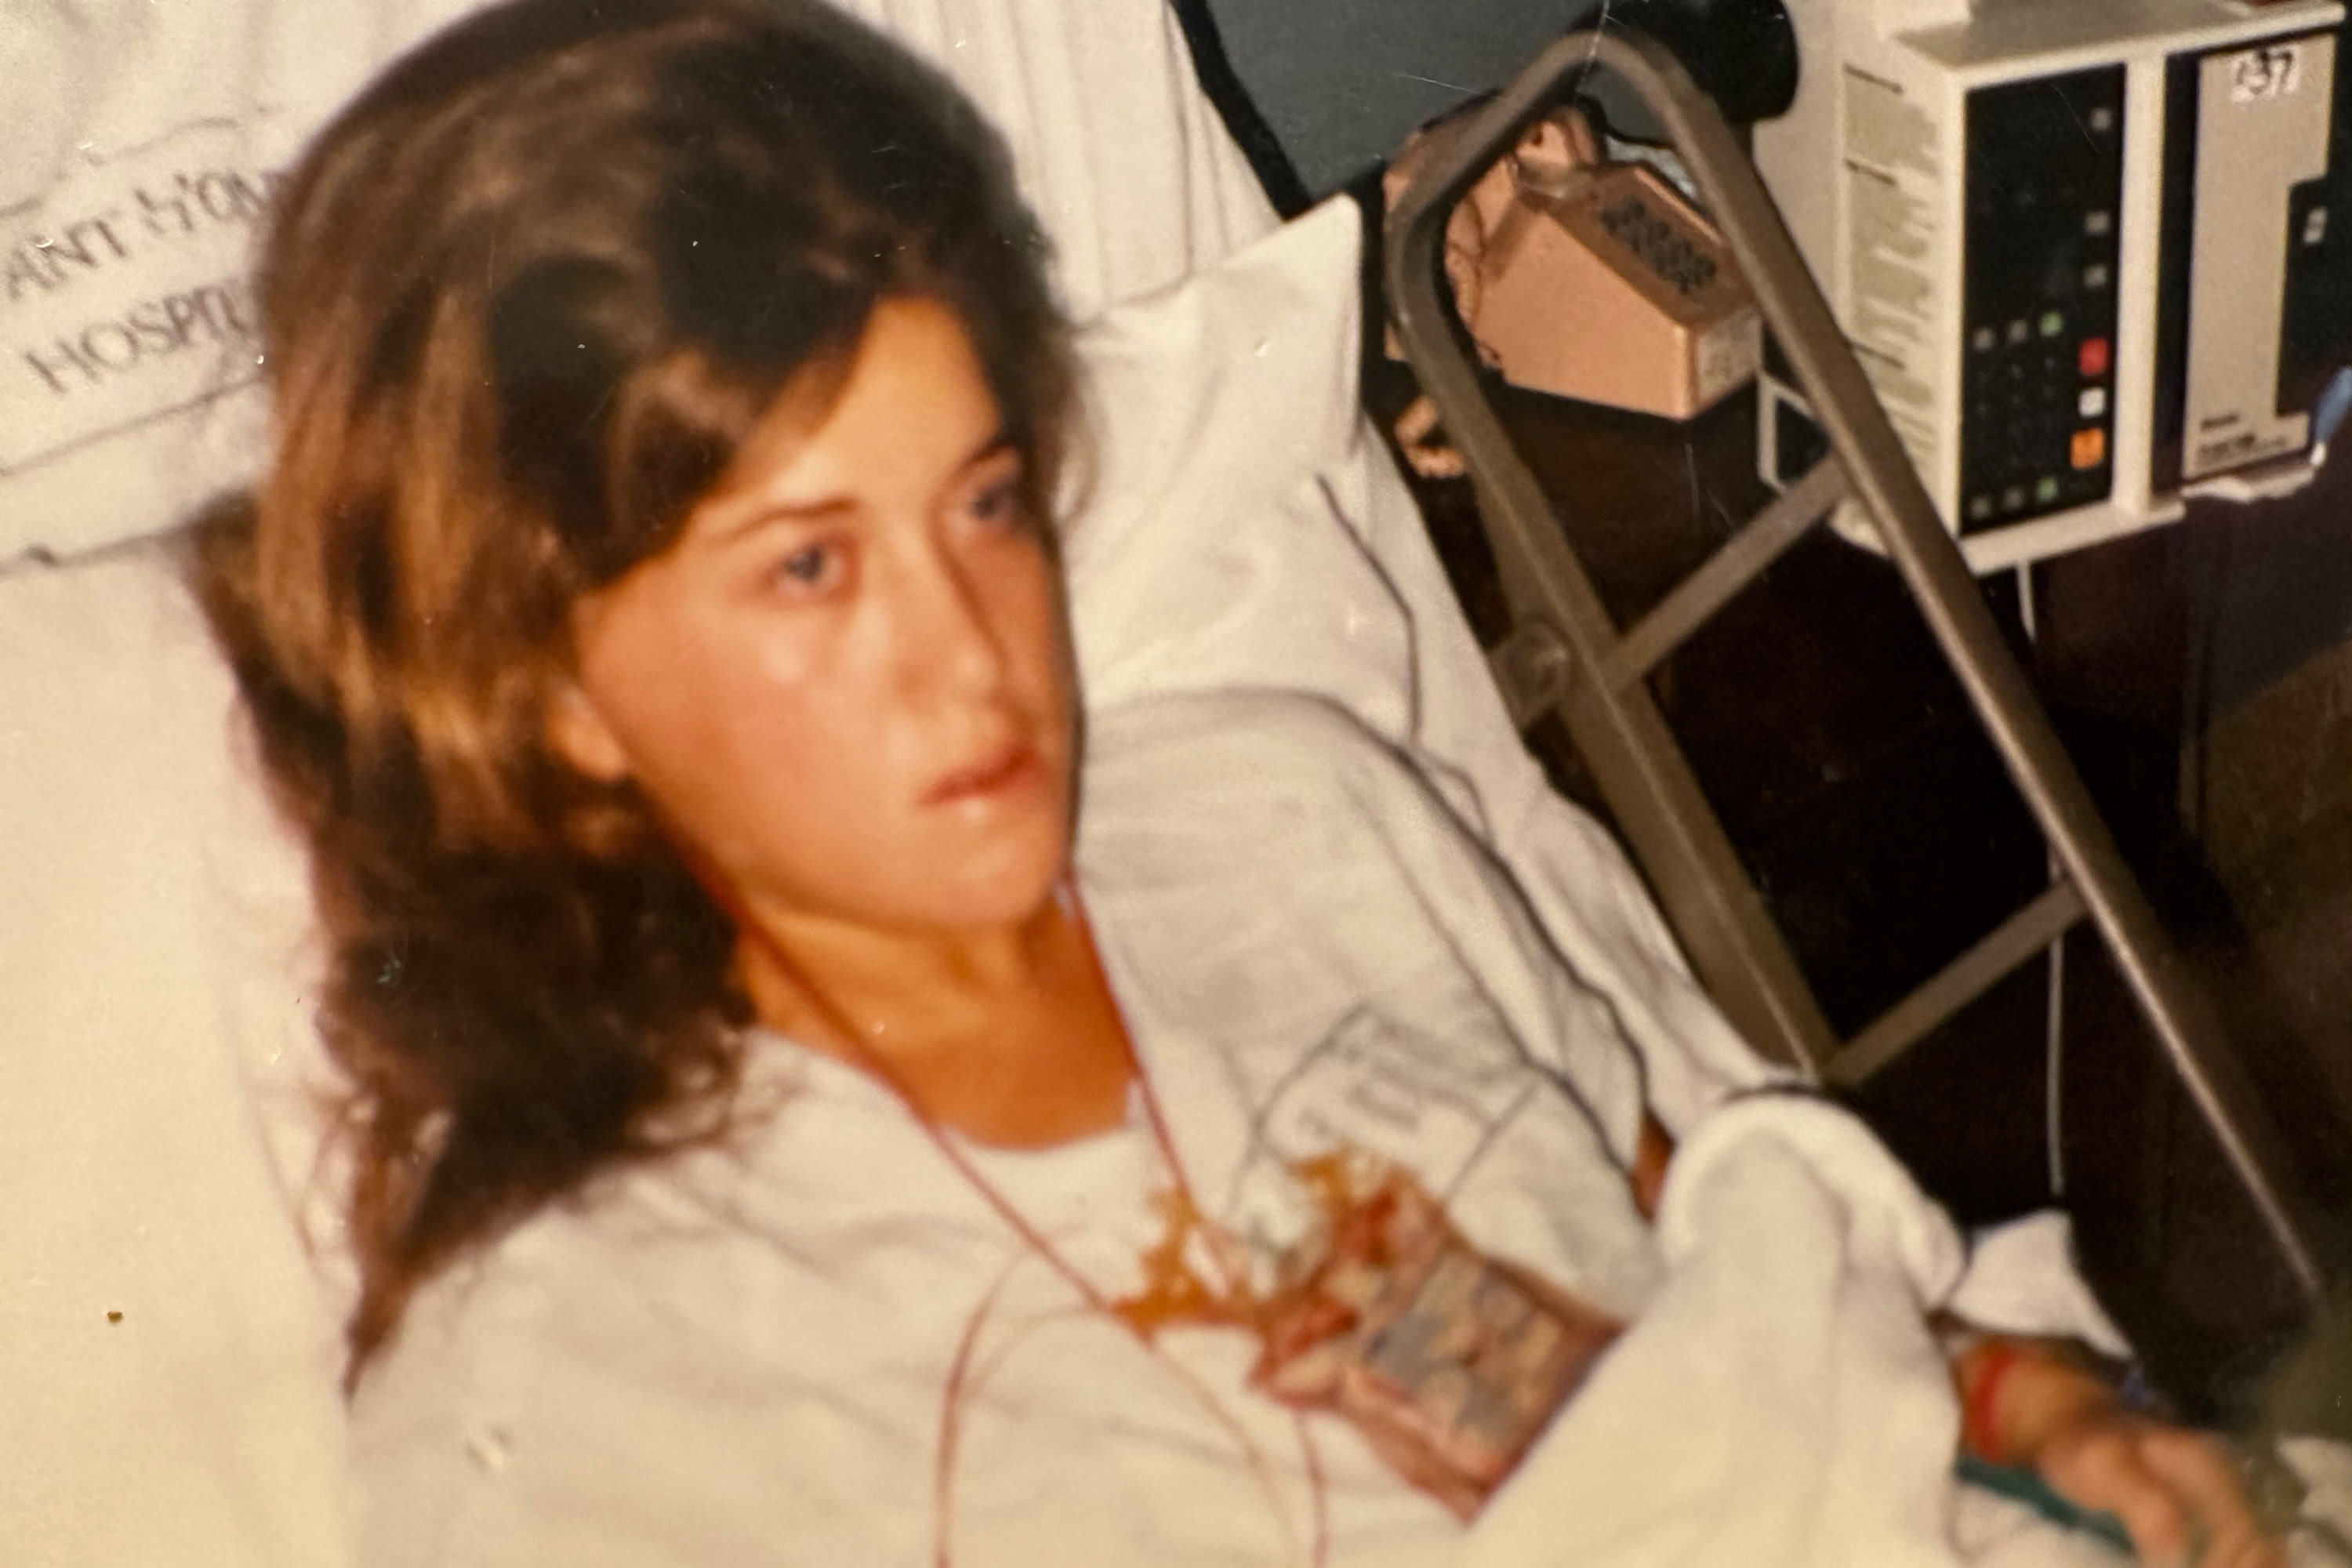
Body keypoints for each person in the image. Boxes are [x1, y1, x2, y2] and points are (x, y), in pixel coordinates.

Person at [192, 0, 2284, 1562]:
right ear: (553, 681)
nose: (978, 644)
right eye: (811, 562)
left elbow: (1653, 1214)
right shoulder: (585, 1384)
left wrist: (2030, 1403)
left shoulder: (1288, 806)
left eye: (991, 500)